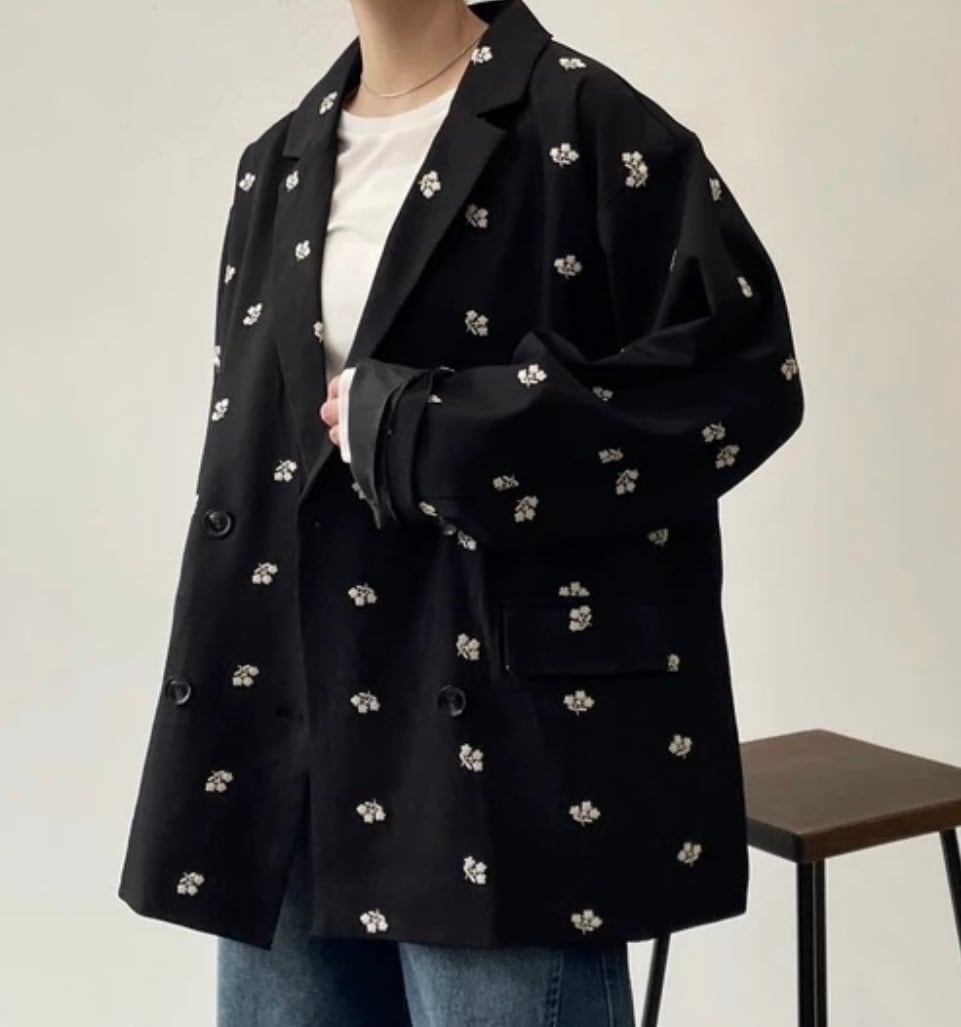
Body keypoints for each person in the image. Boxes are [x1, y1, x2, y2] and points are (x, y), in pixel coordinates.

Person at [117, 0, 804, 1023]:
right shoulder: (278, 162)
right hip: (287, 731)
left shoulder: (590, 122)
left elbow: (742, 381)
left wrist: (433, 427)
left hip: (494, 742)